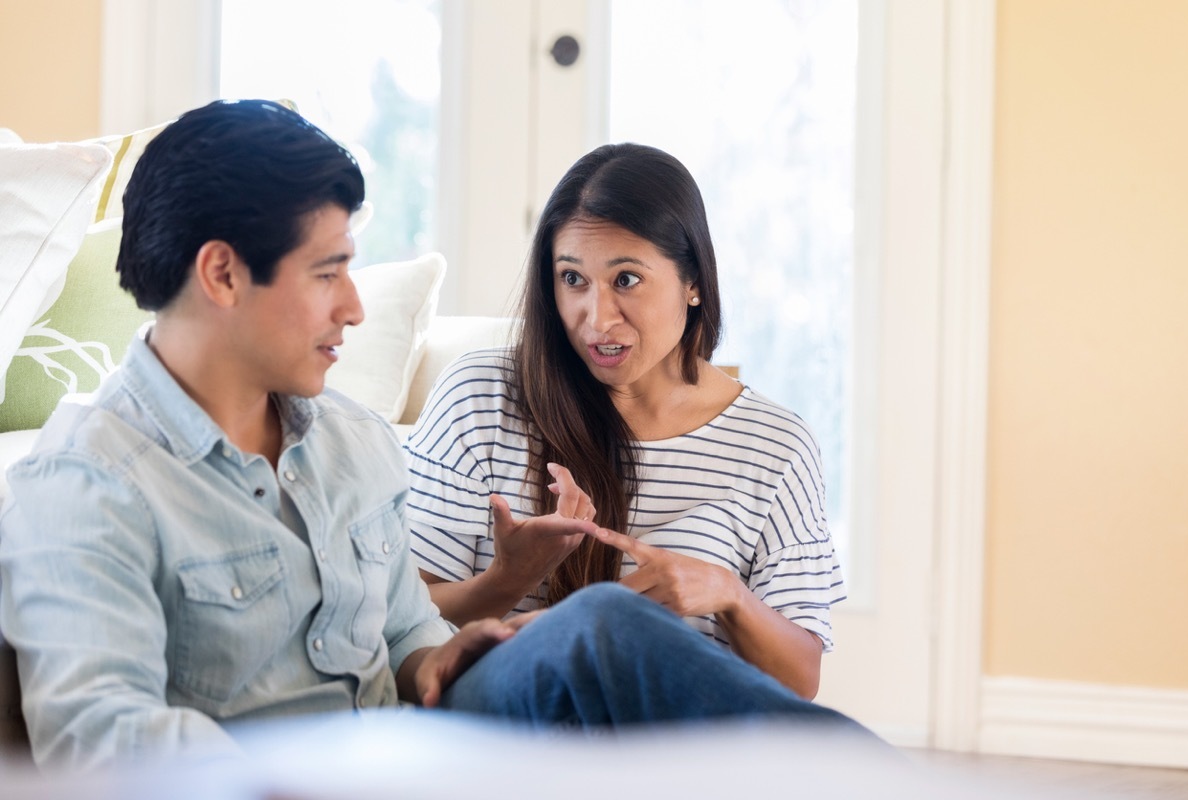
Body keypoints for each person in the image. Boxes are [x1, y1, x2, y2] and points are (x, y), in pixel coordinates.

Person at [0, 102, 877, 772]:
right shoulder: (85, 484)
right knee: (600, 626)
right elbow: (101, 742)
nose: (354, 305)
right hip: (318, 777)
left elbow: (407, 634)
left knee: (595, 625)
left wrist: (437, 658)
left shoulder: (349, 441)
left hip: (418, 752)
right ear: (223, 273)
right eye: (328, 272)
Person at [406, 143, 841, 700]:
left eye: (627, 279)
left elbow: (797, 683)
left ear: (694, 283)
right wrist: (508, 579)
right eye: (572, 279)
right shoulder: (481, 397)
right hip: (512, 730)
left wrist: (728, 593)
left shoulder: (776, 446)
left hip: (677, 746)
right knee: (605, 622)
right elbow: (398, 627)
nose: (596, 318)